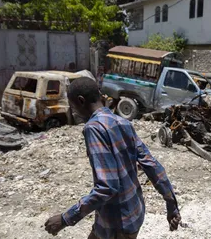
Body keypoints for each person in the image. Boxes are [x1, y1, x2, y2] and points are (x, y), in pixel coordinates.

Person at [44, 77, 181, 238]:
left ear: (81, 101)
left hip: (117, 223)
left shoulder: (93, 129)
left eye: (72, 106)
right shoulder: (123, 122)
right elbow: (152, 164)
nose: (73, 112)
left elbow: (107, 187)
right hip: (134, 213)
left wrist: (65, 219)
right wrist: (171, 203)